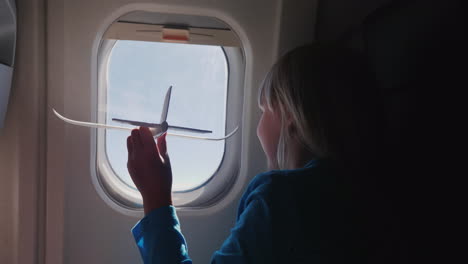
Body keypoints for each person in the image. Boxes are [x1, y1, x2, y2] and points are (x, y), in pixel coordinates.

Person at [126, 43, 388, 263]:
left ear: (291, 117)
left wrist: (156, 197)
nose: (259, 125)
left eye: (264, 110)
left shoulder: (279, 198)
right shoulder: (372, 195)